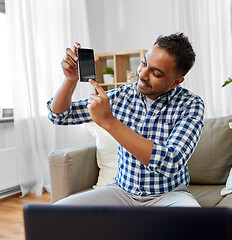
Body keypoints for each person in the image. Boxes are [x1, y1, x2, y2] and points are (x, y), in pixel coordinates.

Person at [48, 32, 205, 207]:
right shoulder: (124, 95)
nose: (143, 75)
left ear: (176, 82)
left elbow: (170, 162)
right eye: (144, 63)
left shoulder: (191, 104)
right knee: (58, 213)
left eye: (156, 73)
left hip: (168, 195)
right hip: (122, 192)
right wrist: (70, 79)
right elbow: (60, 115)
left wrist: (109, 122)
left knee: (193, 222)